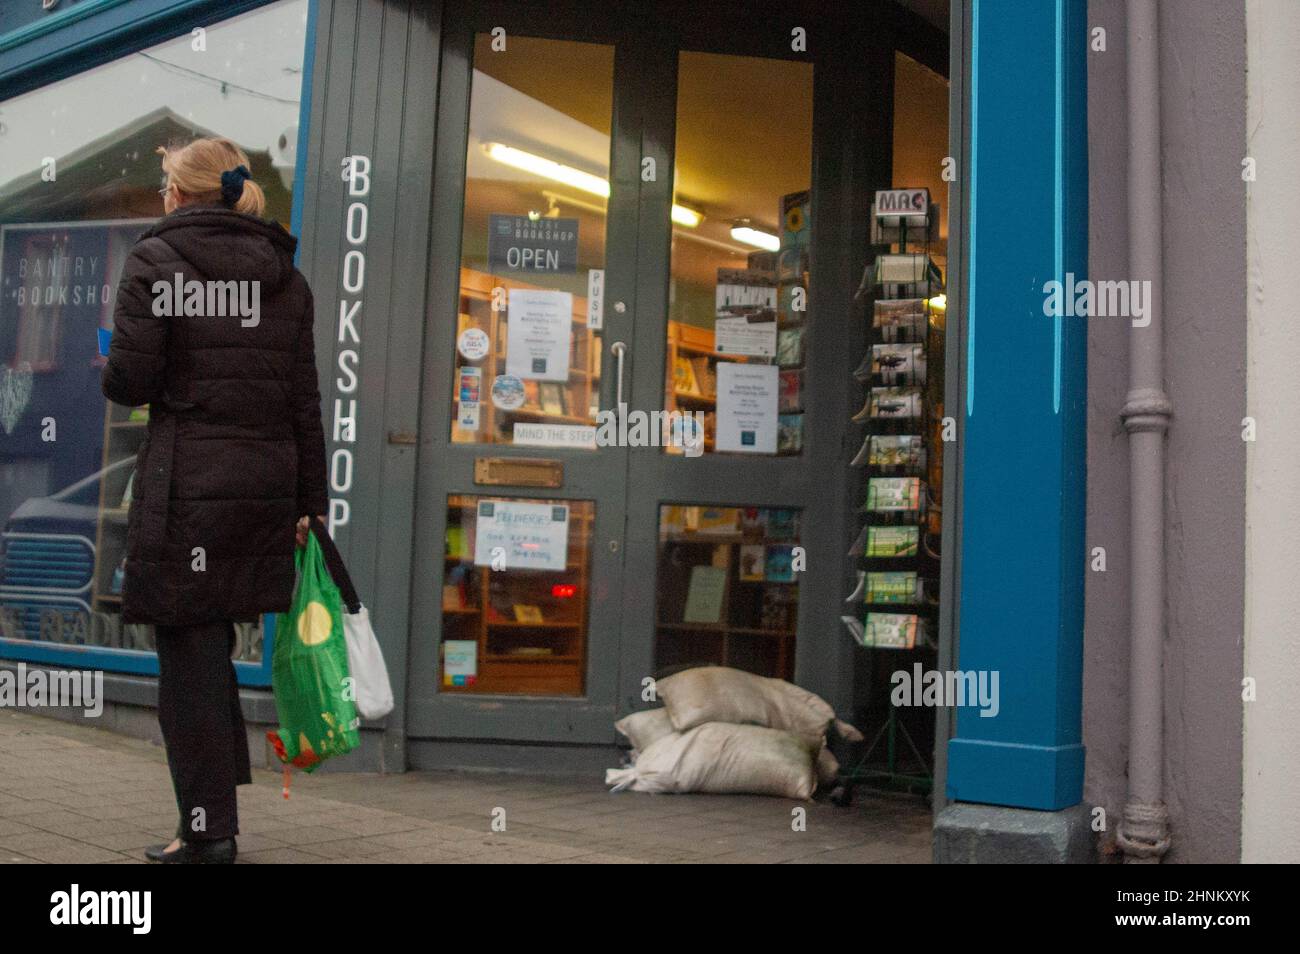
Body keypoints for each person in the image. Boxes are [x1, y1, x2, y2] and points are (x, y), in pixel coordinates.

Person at [102, 137, 328, 864]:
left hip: (190, 489)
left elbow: (131, 384)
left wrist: (111, 357)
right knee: (209, 648)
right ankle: (214, 808)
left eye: (164, 181)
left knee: (187, 651)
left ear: (179, 192)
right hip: (261, 489)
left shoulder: (154, 261)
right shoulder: (286, 278)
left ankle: (206, 833)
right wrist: (310, 504)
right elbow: (304, 402)